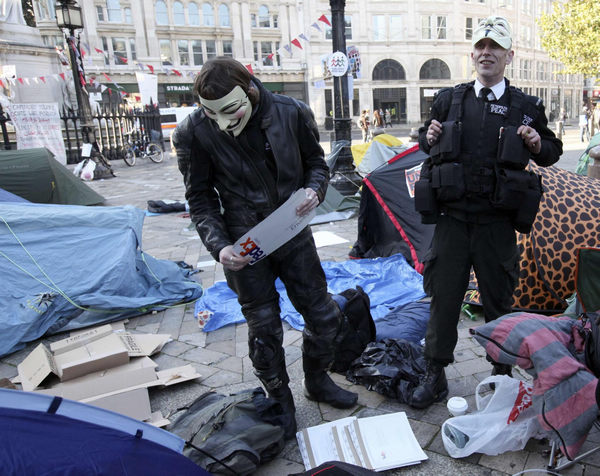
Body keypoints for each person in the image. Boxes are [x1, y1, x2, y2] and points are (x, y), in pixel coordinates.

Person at [172, 57, 358, 439]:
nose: (222, 123)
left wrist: (314, 190)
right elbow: (200, 197)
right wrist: (220, 246)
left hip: (293, 232)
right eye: (211, 114)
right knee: (264, 329)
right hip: (243, 243)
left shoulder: (292, 113)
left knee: (324, 316)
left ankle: (317, 379)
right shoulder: (193, 131)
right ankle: (279, 400)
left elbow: (316, 164)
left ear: (251, 91)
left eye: (229, 110)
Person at [411, 16, 562, 409]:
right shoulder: (449, 99)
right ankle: (435, 371)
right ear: (472, 53)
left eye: (495, 47)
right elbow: (426, 140)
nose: (486, 53)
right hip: (453, 222)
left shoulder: (527, 107)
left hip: (497, 224)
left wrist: (535, 142)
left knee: (499, 302)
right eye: (480, 46)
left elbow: (551, 151)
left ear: (509, 55)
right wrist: (426, 138)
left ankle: (501, 374)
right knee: (444, 299)